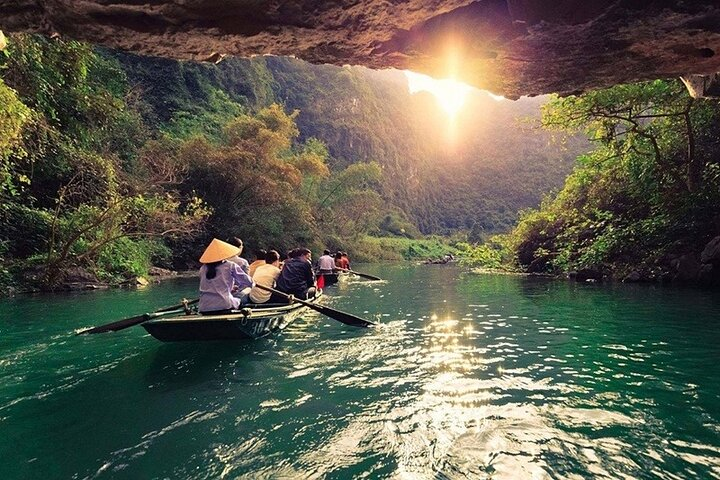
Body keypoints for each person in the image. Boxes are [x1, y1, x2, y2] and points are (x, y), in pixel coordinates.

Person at [198, 238, 254, 314]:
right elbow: (248, 282)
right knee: (242, 296)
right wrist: (253, 284)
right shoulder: (230, 265)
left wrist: (230, 288)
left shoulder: (203, 268)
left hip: (203, 307)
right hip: (224, 305)